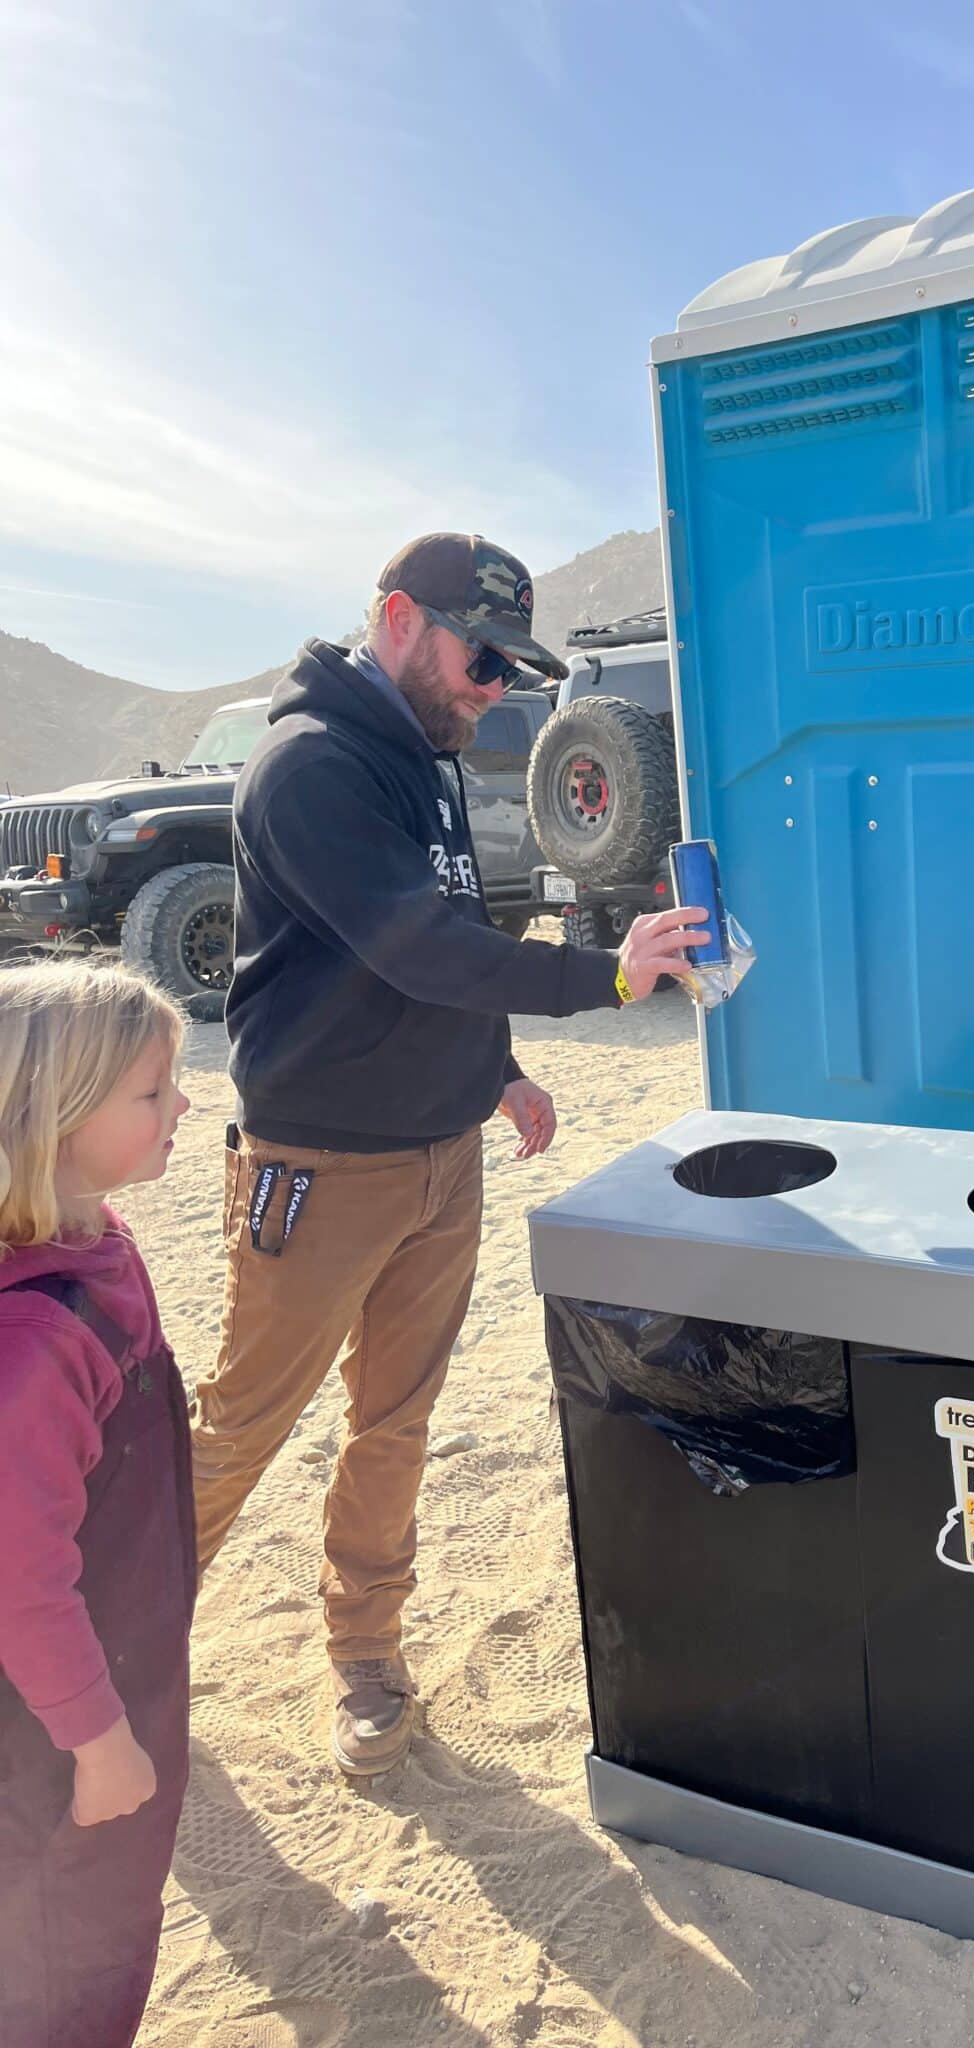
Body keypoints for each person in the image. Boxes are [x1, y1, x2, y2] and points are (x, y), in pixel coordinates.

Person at [189, 531, 703, 1780]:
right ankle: (95, 1651)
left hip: (440, 1155)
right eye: (484, 660)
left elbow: (445, 941)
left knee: (398, 1420)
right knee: (242, 1424)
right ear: (398, 620)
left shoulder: (425, 760)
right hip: (317, 1166)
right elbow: (415, 947)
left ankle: (364, 1650)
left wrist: (496, 1072)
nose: (495, 690)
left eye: (514, 671)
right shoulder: (309, 767)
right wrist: (609, 974)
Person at [0, 962, 193, 2048]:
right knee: (65, 1951)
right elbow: (20, 1584)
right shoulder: (33, 1347)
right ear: (54, 1119)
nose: (185, 1104)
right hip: (54, 1729)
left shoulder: (97, 1234)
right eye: (152, 1091)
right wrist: (101, 1739)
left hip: (125, 1651)